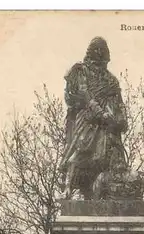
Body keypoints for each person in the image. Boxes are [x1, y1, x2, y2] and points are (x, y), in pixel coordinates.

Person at [60, 37, 129, 199]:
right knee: (80, 150)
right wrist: (99, 113)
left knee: (109, 155)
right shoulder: (81, 71)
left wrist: (122, 119)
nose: (103, 55)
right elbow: (85, 95)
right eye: (99, 51)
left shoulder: (111, 79)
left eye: (104, 52)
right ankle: (69, 189)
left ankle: (102, 192)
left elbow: (119, 102)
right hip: (88, 118)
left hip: (108, 124)